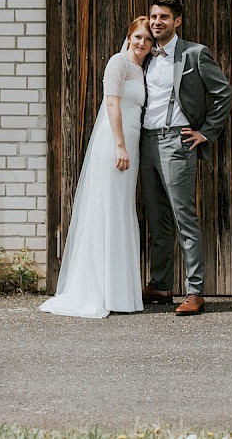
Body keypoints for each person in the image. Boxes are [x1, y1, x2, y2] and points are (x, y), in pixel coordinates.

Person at [40, 17, 154, 318]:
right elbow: (112, 103)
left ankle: (119, 292)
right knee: (106, 209)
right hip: (115, 143)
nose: (142, 43)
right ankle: (97, 289)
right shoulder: (118, 63)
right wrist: (119, 144)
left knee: (120, 210)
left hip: (131, 141)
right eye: (138, 37)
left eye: (147, 39)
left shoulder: (142, 70)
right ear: (128, 37)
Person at [139, 0, 232, 316]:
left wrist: (206, 131)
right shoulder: (146, 56)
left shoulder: (194, 54)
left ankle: (195, 292)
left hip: (177, 143)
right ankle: (161, 284)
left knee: (184, 218)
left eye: (163, 17)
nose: (156, 22)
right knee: (157, 217)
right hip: (147, 142)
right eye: (153, 16)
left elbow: (224, 92)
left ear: (177, 21)